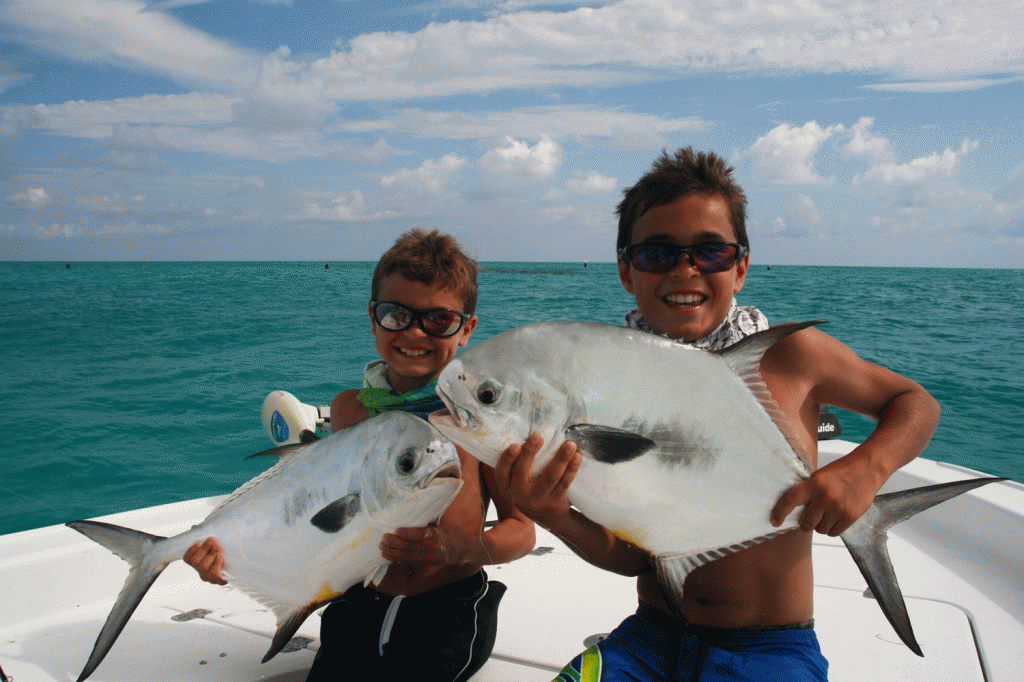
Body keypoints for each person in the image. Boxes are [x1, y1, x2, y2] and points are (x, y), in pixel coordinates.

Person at [494, 148, 941, 681]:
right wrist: (556, 516)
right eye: (657, 254)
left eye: (710, 252)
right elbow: (637, 559)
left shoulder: (790, 356)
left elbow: (915, 403)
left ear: (741, 265)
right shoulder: (611, 388)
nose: (685, 270)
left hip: (772, 650)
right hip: (648, 637)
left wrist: (866, 468)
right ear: (624, 269)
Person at [185, 229, 535, 681]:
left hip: (447, 613)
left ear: (466, 329)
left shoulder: (478, 419)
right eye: (396, 314)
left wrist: (463, 547)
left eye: (439, 321)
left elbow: (522, 530)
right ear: (373, 319)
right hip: (355, 605)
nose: (414, 331)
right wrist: (227, 558)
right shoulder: (349, 409)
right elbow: (311, 519)